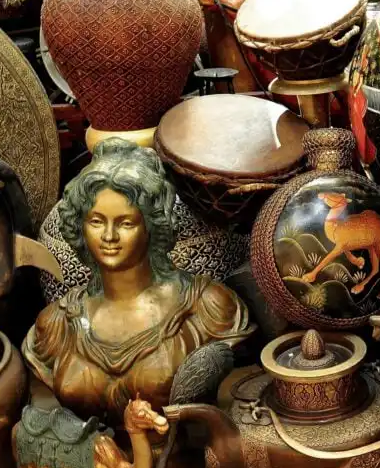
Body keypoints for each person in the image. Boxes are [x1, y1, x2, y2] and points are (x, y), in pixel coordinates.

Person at [22, 138, 254, 423]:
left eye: (126, 223)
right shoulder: (55, 326)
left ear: (152, 226)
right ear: (79, 226)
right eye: (96, 221)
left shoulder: (208, 308)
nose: (109, 236)